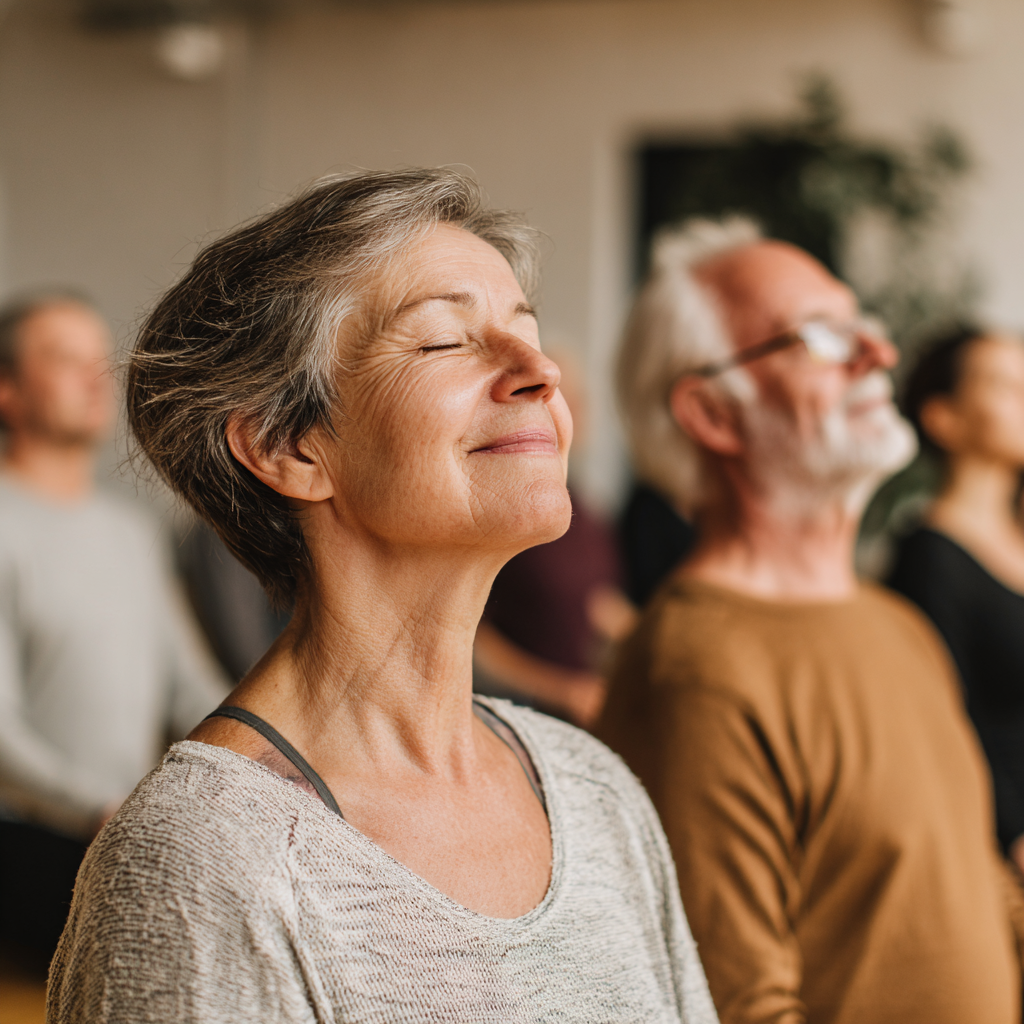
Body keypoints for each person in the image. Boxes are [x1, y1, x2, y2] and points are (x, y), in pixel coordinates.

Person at [48, 170, 718, 1024]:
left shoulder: (594, 789)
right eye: (444, 342)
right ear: (289, 445)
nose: (539, 371)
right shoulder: (203, 860)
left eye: (527, 331)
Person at [597, 217, 1024, 1024]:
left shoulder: (898, 625)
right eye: (824, 337)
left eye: (864, 325)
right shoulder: (694, 670)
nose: (880, 356)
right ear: (715, 413)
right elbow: (737, 1008)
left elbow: (972, 887)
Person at [0, 294, 228, 972]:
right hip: (30, 840)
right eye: (65, 359)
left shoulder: (131, 532)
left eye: (99, 359)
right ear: (8, 391)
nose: (95, 378)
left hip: (121, 832)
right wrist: (98, 809)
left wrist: (277, 760)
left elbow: (192, 688)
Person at [888, 325, 1024, 868]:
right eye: (1000, 382)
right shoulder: (929, 557)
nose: (1023, 395)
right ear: (943, 417)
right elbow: (944, 724)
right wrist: (1014, 835)